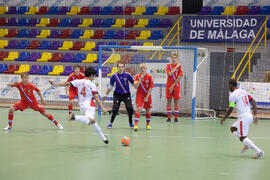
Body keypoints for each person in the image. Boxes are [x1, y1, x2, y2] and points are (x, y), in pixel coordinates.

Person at [49, 67, 109, 144]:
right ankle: (75, 117)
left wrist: (54, 84)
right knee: (89, 120)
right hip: (89, 105)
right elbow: (96, 96)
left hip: (82, 106)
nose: (94, 77)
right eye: (94, 76)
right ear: (91, 75)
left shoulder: (78, 81)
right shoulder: (92, 84)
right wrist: (102, 107)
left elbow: (66, 84)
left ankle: (104, 138)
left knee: (92, 121)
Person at [221, 79, 264, 159]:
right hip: (248, 116)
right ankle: (246, 144)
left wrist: (224, 118)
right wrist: (255, 115)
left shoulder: (233, 95)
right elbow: (253, 101)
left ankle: (259, 152)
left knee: (243, 137)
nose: (228, 87)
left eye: (228, 85)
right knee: (233, 128)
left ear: (231, 85)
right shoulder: (243, 91)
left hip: (243, 117)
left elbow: (230, 108)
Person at [102, 63, 134, 129]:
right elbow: (110, 87)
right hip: (117, 95)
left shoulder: (128, 75)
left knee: (130, 108)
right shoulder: (114, 76)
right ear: (117, 68)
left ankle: (130, 122)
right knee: (115, 109)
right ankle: (110, 123)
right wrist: (105, 95)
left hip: (126, 94)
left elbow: (134, 84)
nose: (120, 68)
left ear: (124, 68)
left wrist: (139, 81)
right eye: (119, 67)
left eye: (122, 67)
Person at [133, 63, 154, 131]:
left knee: (148, 110)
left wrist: (147, 97)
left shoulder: (149, 76)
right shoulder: (137, 76)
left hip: (147, 94)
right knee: (139, 109)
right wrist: (140, 79)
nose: (142, 69)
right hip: (139, 94)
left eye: (144, 68)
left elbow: (150, 88)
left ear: (146, 69)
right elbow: (135, 86)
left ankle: (148, 124)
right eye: (141, 68)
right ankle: (136, 125)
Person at [166, 51, 183, 122]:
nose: (173, 59)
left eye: (175, 58)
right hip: (168, 86)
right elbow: (169, 74)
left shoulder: (180, 67)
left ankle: (176, 118)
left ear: (177, 58)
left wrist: (172, 86)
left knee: (176, 102)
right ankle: (169, 118)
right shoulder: (168, 66)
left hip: (176, 86)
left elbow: (179, 77)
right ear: (171, 58)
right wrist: (176, 67)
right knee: (169, 101)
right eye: (172, 57)